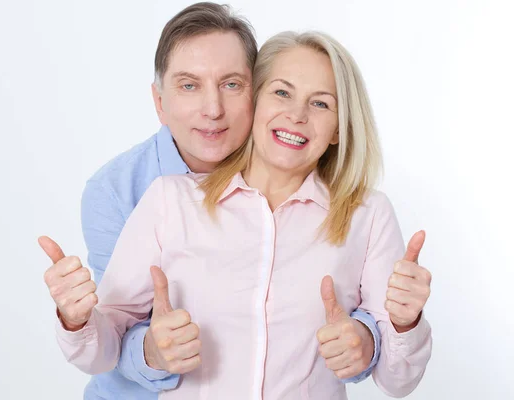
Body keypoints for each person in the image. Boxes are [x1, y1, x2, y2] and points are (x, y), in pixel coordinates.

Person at [48, 28, 433, 399]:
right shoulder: (170, 200)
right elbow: (102, 349)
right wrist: (77, 319)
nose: (298, 114)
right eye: (282, 92)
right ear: (256, 103)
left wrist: (402, 325)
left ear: (338, 128)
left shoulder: (369, 215)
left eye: (321, 103)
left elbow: (398, 382)